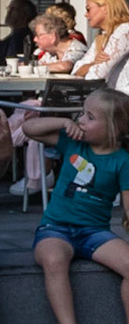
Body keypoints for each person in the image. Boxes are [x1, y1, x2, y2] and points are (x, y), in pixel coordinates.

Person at [20, 89, 129, 324]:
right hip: (55, 228)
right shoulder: (71, 143)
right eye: (81, 113)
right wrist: (61, 122)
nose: (80, 120)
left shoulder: (122, 161)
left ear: (114, 128)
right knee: (54, 260)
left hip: (94, 233)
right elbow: (28, 128)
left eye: (89, 116)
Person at [6, 14, 94, 196]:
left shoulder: (76, 49)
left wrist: (36, 67)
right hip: (56, 108)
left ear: (52, 36)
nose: (35, 40)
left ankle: (10, 145)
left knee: (31, 111)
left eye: (38, 35)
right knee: (28, 110)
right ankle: (36, 174)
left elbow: (66, 67)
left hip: (73, 111)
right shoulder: (49, 54)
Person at [70, 0, 129, 125]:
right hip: (116, 106)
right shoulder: (102, 37)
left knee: (80, 122)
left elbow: (95, 77)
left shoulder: (127, 30)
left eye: (88, 9)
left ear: (105, 8)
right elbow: (76, 71)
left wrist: (89, 67)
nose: (85, 15)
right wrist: (93, 63)